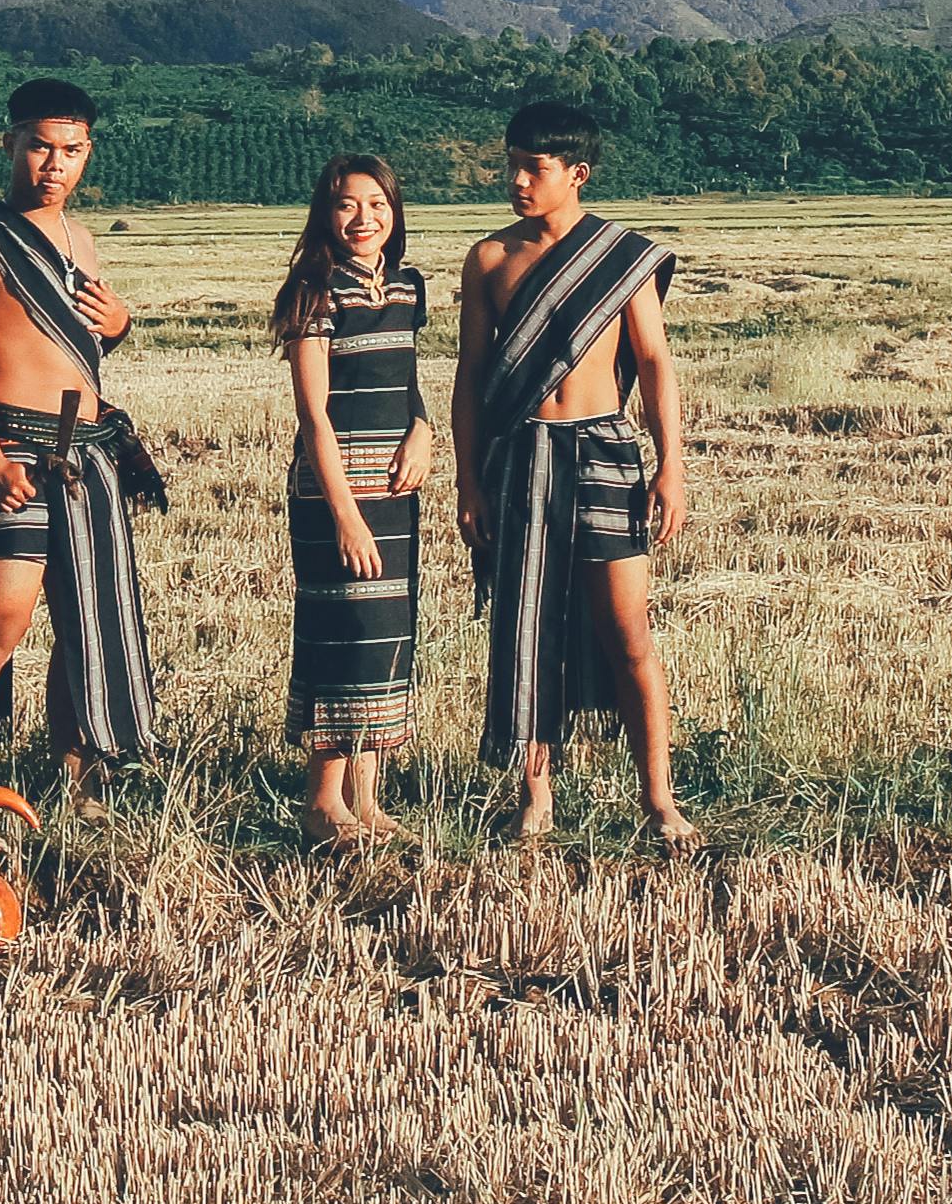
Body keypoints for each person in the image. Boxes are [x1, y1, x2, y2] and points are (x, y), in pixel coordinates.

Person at [452, 96, 695, 849]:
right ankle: (535, 801)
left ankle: (659, 802)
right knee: (526, 632)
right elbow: (470, 376)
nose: (518, 181)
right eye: (513, 166)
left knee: (629, 635)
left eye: (535, 169)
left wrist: (671, 467)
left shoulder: (621, 258)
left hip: (603, 452)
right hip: (520, 456)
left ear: (576, 174)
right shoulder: (489, 259)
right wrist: (467, 481)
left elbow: (653, 362)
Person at [0, 76, 153, 796]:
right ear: (12, 144)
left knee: (82, 622)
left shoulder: (83, 241)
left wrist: (119, 328)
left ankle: (77, 783)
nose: (55, 165)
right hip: (11, 447)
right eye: (41, 147)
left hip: (87, 451)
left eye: (72, 150)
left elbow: (70, 345)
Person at [274, 153, 436, 845]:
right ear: (325, 213)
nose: (363, 218)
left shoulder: (407, 286)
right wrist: (343, 514)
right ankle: (322, 801)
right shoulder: (313, 291)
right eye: (346, 204)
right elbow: (314, 416)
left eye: (376, 203)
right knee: (340, 634)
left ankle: (368, 800)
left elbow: (407, 380)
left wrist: (425, 433)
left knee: (386, 637)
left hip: (398, 487)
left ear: (394, 211)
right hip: (335, 487)